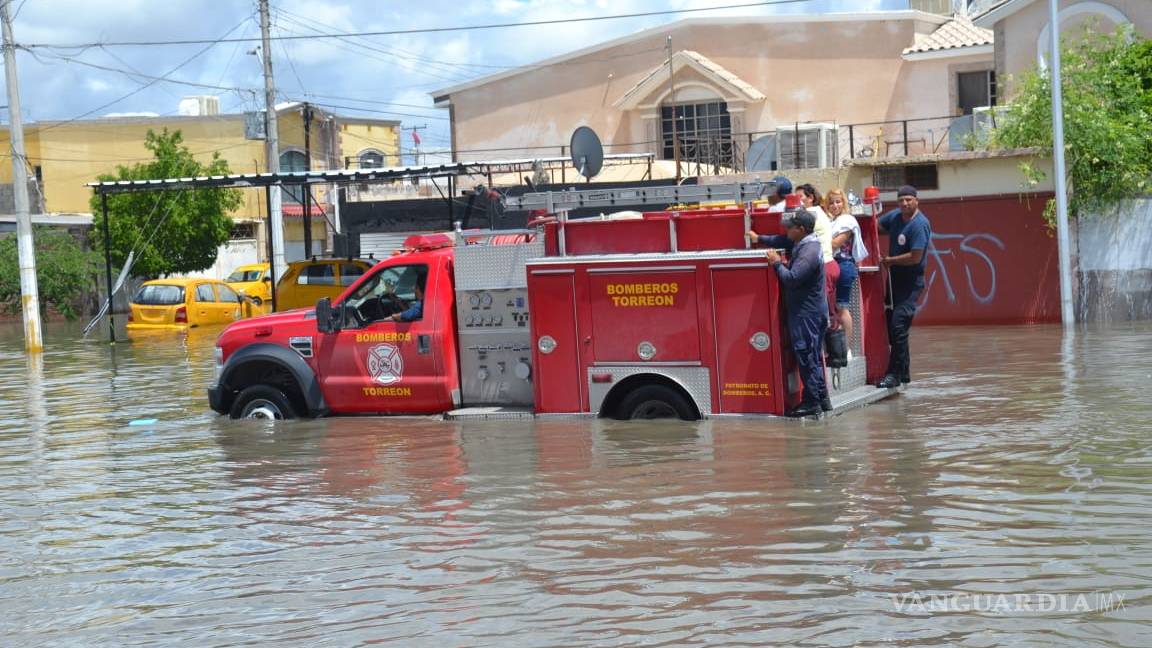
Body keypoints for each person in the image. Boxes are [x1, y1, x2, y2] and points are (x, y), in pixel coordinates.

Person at [746, 209, 830, 417]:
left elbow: (792, 279)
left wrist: (776, 263)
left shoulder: (809, 252)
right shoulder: (806, 243)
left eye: (790, 228)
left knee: (807, 356)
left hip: (807, 314)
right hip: (810, 312)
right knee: (812, 357)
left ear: (801, 229)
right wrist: (760, 238)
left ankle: (812, 402)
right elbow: (781, 239)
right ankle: (822, 398)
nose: (787, 231)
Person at [876, 185, 932, 389]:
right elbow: (876, 226)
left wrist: (890, 260)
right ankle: (905, 372)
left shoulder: (920, 224)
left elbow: (915, 257)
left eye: (908, 199)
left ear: (916, 201)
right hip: (893, 281)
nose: (904, 203)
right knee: (892, 327)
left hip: (910, 284)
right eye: (901, 200)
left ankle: (894, 375)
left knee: (898, 326)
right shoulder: (895, 216)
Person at [825, 188, 869, 348]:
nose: (835, 205)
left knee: (842, 307)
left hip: (844, 266)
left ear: (843, 203)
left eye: (838, 201)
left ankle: (846, 348)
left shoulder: (847, 221)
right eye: (831, 202)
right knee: (833, 308)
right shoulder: (831, 221)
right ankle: (836, 348)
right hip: (832, 266)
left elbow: (835, 244)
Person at [795, 183, 840, 320]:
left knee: (824, 314)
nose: (797, 200)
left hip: (824, 266)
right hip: (829, 265)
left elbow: (792, 230)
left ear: (810, 198)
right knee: (829, 311)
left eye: (800, 197)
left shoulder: (810, 213)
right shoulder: (818, 211)